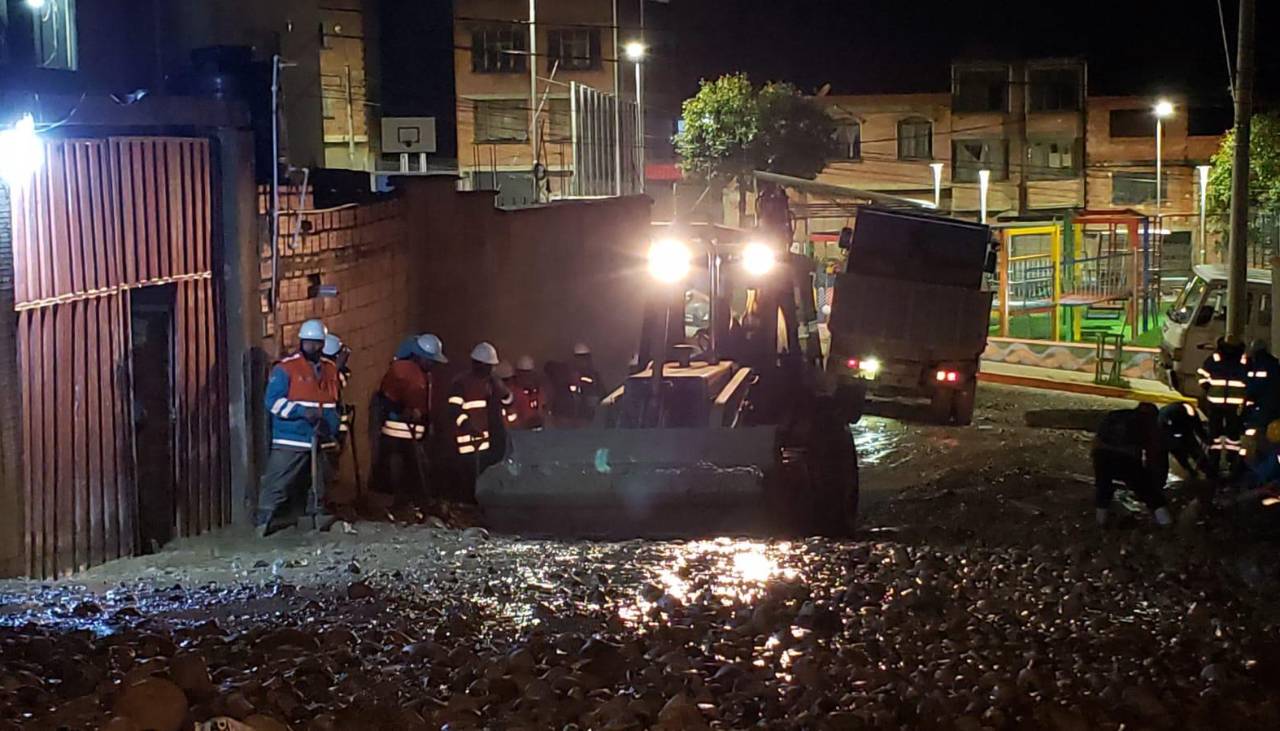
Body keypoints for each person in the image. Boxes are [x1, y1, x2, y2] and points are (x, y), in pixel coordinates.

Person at [258, 319, 342, 536]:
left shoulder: (330, 369)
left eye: (316, 343)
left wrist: (330, 428)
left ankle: (314, 518)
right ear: (301, 342)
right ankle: (264, 521)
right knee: (278, 482)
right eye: (308, 343)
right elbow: (272, 402)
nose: (312, 347)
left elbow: (332, 403)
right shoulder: (286, 369)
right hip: (291, 438)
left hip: (319, 437)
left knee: (319, 484)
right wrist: (301, 413)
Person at [372, 333, 447, 510]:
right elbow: (387, 399)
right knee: (399, 470)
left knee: (415, 469)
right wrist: (403, 411)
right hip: (398, 432)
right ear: (420, 357)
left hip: (413, 431)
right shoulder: (402, 371)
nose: (433, 365)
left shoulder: (422, 374)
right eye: (431, 361)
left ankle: (412, 502)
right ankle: (398, 502)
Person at [1092, 402, 1173, 528]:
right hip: (1126, 457)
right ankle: (1166, 523)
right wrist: (1155, 480)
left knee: (1103, 487)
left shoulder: (1115, 415)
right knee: (1149, 493)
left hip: (1101, 454)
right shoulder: (1148, 423)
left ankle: (1100, 522)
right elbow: (1154, 454)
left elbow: (1098, 438)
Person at [449, 342, 513, 497]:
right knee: (468, 478)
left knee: (486, 477)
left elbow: (509, 402)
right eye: (489, 366)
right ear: (480, 365)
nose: (491, 369)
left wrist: (504, 392)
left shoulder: (493, 383)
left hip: (489, 441)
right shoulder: (461, 383)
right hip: (468, 442)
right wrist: (466, 425)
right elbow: (454, 410)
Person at [1198, 336, 1250, 478]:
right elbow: (1249, 381)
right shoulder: (1244, 360)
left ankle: (1214, 463)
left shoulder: (1214, 359)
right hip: (1235, 405)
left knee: (1215, 433)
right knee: (1233, 435)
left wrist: (1209, 389)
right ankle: (1232, 463)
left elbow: (1202, 378)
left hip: (1215, 403)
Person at [1243, 339, 1280, 459]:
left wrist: (1247, 398)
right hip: (1273, 405)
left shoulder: (1259, 365)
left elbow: (1255, 387)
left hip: (1262, 405)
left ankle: (1250, 460)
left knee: (1254, 431)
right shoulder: (1273, 363)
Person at [1158, 402, 1208, 478]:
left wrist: (1205, 438)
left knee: (1191, 452)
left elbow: (1197, 426)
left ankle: (1201, 470)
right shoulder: (1166, 416)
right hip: (1173, 435)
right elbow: (1197, 427)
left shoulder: (1189, 412)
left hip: (1179, 433)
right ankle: (1197, 471)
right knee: (1183, 453)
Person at [507, 355, 548, 430]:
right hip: (519, 432)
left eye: (528, 373)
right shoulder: (512, 392)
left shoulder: (539, 390)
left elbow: (544, 409)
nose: (526, 377)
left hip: (539, 431)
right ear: (517, 374)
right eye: (523, 373)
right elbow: (510, 417)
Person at [568, 342, 603, 424]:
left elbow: (601, 393)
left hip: (591, 415)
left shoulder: (594, 375)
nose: (583, 362)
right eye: (580, 358)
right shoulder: (569, 376)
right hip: (577, 416)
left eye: (585, 358)